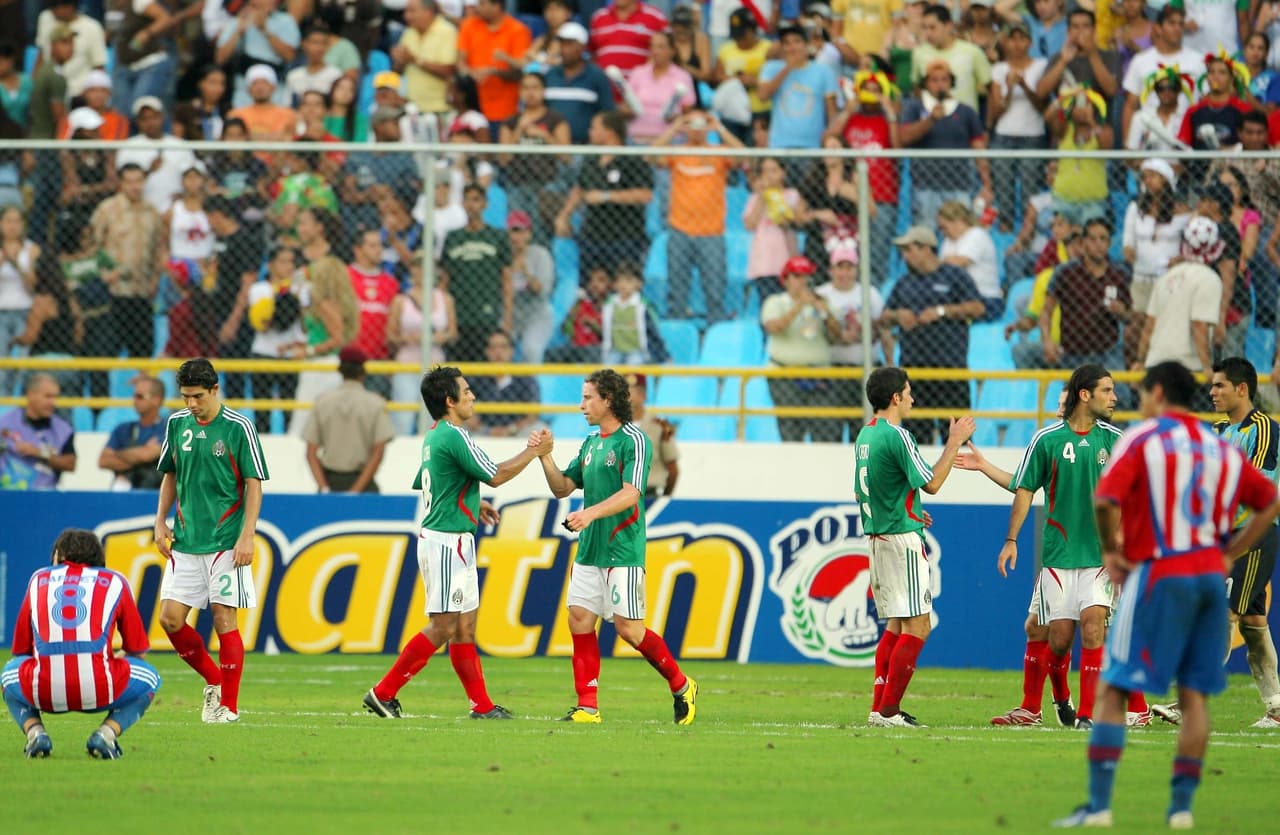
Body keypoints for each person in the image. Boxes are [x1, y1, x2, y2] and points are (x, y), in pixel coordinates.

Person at [1053, 361, 1280, 829]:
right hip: (1206, 580)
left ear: (1158, 392)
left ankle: (1098, 806)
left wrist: (1113, 553)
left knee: (1114, 691)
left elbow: (1104, 500)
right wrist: (1230, 551)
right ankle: (1180, 808)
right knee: (1194, 698)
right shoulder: (1217, 446)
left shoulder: (1142, 439)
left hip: (1156, 574)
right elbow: (1269, 502)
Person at [362, 366, 549, 721]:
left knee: (465, 627)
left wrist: (471, 502)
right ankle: (384, 693)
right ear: (450, 401)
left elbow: (432, 482)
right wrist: (535, 451)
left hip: (451, 538)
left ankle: (481, 705)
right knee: (444, 626)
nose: (473, 396)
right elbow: (495, 475)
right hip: (446, 542)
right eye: (466, 392)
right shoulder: (455, 435)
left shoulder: (434, 436)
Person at [532, 369, 699, 724]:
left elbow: (631, 493)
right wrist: (545, 457)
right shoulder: (591, 443)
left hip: (622, 548)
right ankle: (587, 706)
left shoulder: (634, 440)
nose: (581, 406)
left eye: (588, 397)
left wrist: (589, 513)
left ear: (608, 399)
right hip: (590, 549)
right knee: (579, 619)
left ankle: (682, 684)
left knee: (628, 630)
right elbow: (563, 487)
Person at [991, 365, 1124, 730]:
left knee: (1094, 627)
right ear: (1085, 394)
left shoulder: (1115, 440)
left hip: (1098, 556)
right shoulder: (1046, 439)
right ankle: (1058, 698)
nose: (1114, 398)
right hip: (1058, 556)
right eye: (1107, 391)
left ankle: (1087, 714)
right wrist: (1011, 540)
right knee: (1060, 639)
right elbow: (1024, 489)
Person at [1151, 358, 1280, 730]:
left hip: (1253, 535)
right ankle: (1275, 705)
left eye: (1220, 385)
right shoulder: (1220, 428)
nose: (1211, 392)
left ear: (1242, 389)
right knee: (1254, 623)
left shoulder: (1265, 429)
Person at [855, 366, 977, 727]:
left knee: (896, 624)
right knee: (918, 626)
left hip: (879, 536)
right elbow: (933, 483)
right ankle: (889, 711)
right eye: (908, 392)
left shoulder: (867, 435)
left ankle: (880, 709)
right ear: (895, 398)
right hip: (901, 541)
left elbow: (870, 488)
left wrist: (908, 510)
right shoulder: (897, 435)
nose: (913, 398)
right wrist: (954, 440)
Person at [154, 358, 269, 725]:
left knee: (224, 621)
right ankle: (214, 681)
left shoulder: (238, 427)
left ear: (215, 390)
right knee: (169, 620)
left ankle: (229, 708)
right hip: (186, 540)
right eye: (186, 396)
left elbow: (254, 484)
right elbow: (170, 475)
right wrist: (160, 521)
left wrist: (247, 535)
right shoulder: (176, 425)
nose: (191, 404)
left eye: (198, 396)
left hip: (225, 540)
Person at [2, 528, 159, 760]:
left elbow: (21, 650)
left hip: (44, 692)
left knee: (7, 674)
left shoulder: (38, 579)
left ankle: (36, 733)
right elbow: (137, 650)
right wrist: (112, 659)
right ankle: (106, 734)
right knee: (151, 678)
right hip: (102, 689)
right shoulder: (115, 580)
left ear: (59, 555)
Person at [882, 226, 985, 445]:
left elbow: (977, 308)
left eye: (909, 249)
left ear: (926, 249)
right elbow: (883, 318)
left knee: (959, 437)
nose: (905, 256)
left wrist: (942, 311)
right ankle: (921, 479)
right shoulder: (904, 283)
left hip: (950, 369)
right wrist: (898, 314)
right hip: (914, 371)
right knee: (916, 438)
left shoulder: (955, 276)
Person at [899, 58, 993, 226]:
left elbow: (979, 149)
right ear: (926, 83)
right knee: (926, 237)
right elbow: (905, 137)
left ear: (951, 82)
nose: (940, 84)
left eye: (944, 79)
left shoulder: (966, 112)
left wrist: (986, 184)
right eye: (934, 80)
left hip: (959, 185)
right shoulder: (914, 108)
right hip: (924, 186)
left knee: (960, 234)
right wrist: (930, 121)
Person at [761, 255, 842, 443]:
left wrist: (825, 313)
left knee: (825, 431)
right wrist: (799, 306)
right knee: (791, 431)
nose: (802, 281)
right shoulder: (775, 302)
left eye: (806, 276)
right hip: (785, 374)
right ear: (786, 280)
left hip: (818, 373)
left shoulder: (822, 302)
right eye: (797, 276)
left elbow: (836, 337)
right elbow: (774, 328)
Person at [1134, 217, 1223, 382]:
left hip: (1156, 362)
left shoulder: (1166, 277)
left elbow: (1149, 324)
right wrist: (1206, 366)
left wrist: (1140, 360)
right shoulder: (1210, 279)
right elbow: (1199, 324)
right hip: (1188, 365)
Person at [302, 347, 395, 494]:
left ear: (340, 371)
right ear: (362, 373)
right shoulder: (375, 404)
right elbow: (378, 451)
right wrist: (356, 490)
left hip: (330, 480)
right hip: (363, 483)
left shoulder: (323, 402)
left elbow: (310, 452)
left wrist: (324, 487)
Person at [817, 246, 887, 440]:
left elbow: (882, 329)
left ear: (857, 270)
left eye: (849, 267)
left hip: (865, 370)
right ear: (831, 270)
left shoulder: (870, 294)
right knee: (831, 429)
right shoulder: (821, 294)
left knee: (864, 430)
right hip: (833, 370)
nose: (844, 273)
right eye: (839, 267)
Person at [440, 184, 514, 362]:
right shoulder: (453, 237)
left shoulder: (498, 237)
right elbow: (444, 278)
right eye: (467, 200)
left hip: (486, 314)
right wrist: (444, 314)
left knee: (484, 370)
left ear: (485, 204)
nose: (472, 205)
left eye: (476, 200)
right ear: (462, 204)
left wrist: (508, 316)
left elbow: (506, 278)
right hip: (458, 314)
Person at [758, 23, 840, 155]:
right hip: (779, 145)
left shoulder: (824, 71)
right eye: (787, 43)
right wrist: (788, 68)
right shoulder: (771, 68)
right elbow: (762, 96)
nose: (792, 47)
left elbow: (832, 113)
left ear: (806, 45)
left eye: (797, 41)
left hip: (812, 146)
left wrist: (828, 139)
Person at [456, 0, 532, 126]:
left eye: (482, 4)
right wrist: (471, 73)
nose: (477, 8)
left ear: (496, 6)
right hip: (472, 107)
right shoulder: (469, 25)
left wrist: (493, 71)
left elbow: (520, 71)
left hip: (505, 108)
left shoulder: (518, 30)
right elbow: (460, 62)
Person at [0, 374, 76, 490]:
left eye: (55, 397)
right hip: (7, 495)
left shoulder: (63, 430)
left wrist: (39, 453)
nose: (53, 403)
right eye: (48, 397)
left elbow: (71, 464)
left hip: (44, 497)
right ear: (31, 395)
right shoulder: (5, 423)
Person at [467, 329, 542, 438]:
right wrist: (487, 430)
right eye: (493, 347)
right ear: (487, 352)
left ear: (511, 351)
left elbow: (532, 415)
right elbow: (465, 410)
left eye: (503, 346)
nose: (498, 352)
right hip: (484, 432)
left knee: (539, 429)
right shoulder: (476, 379)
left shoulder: (525, 379)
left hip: (516, 432)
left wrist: (511, 430)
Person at [99, 375, 166, 491]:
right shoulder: (122, 429)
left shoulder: (168, 428)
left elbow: (147, 455)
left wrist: (117, 454)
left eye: (140, 397)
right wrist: (142, 456)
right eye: (134, 396)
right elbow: (103, 460)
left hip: (156, 495)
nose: (134, 401)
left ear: (156, 400)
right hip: (125, 496)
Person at [627, 372, 678, 502]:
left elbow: (673, 468)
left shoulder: (659, 426)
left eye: (630, 392)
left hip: (649, 495)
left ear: (643, 395)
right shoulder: (613, 426)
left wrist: (664, 498)